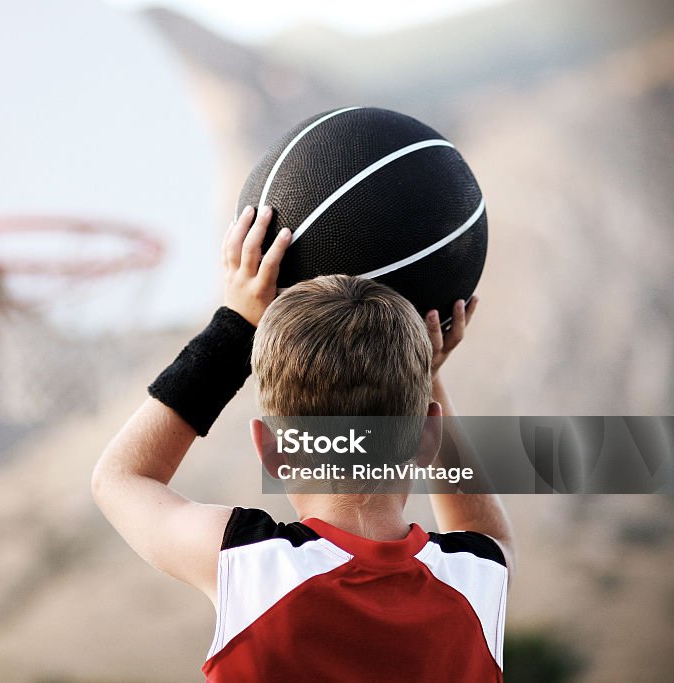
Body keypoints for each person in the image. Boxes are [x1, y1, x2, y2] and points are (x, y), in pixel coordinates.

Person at [92, 206, 515, 681]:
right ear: (428, 437)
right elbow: (490, 535)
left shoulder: (249, 565)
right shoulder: (474, 580)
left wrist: (235, 327)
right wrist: (426, 380)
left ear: (271, 447)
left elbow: (121, 478)